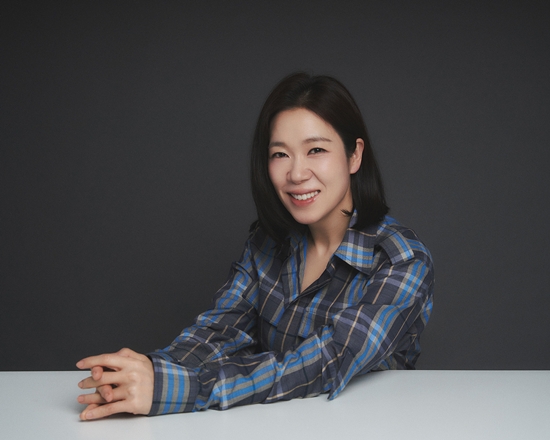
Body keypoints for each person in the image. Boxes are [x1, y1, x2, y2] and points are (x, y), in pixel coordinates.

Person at [77, 72, 434, 420]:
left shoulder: (401, 258)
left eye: (316, 150)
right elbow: (220, 331)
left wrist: (184, 388)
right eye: (280, 154)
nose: (296, 174)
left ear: (354, 155)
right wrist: (145, 374)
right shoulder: (268, 242)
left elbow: (327, 360)